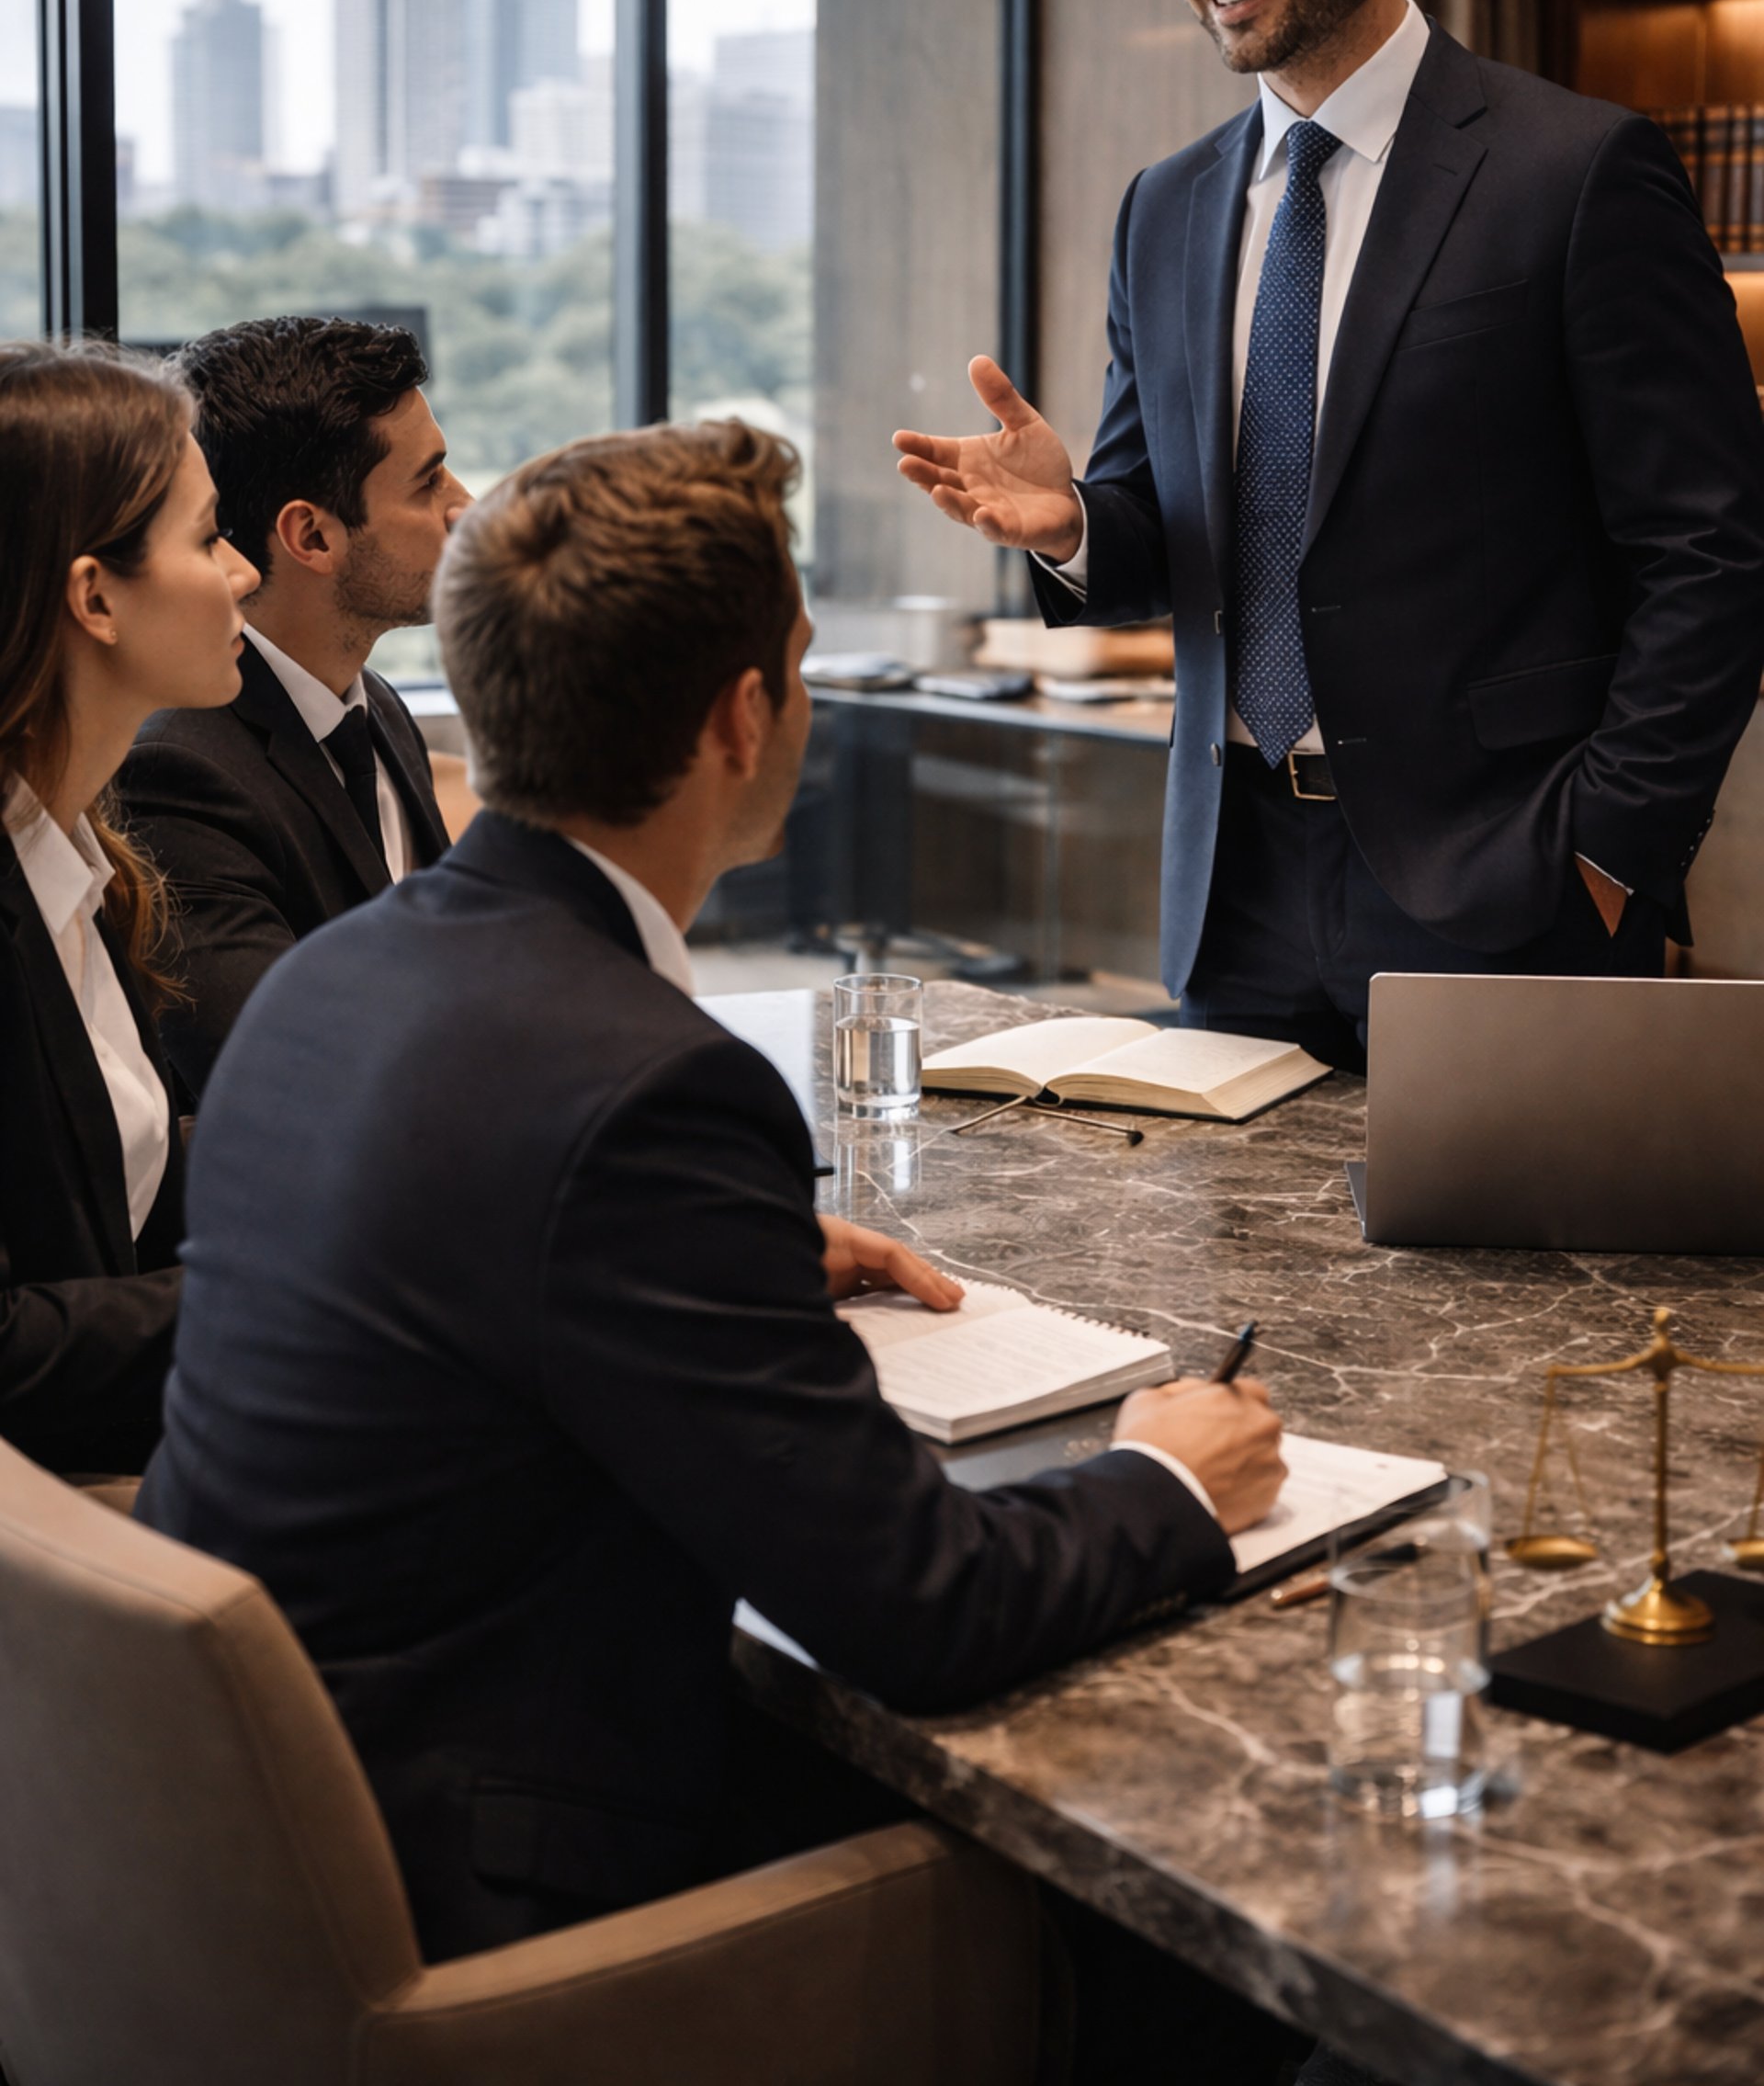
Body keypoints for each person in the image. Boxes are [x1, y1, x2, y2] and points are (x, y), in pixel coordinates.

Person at [138, 419, 1285, 1971]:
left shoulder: (339, 973)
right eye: (800, 666)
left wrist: (720, 1263)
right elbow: (923, 1612)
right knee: (1187, 1924)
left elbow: (469, 1260)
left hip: (247, 1866)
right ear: (747, 717)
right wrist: (1163, 1477)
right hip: (504, 1908)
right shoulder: (651, 1088)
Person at [895, 0, 1764, 1068]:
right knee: (1238, 1282)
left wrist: (1611, 849)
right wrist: (1072, 526)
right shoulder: (1165, 207)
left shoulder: (1578, 174)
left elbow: (1712, 554)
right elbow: (1169, 540)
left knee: (1507, 1290)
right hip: (1229, 892)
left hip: (1510, 889)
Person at [0, 342, 255, 1472]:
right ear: (95, 596)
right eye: (207, 537)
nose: (243, 571)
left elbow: (123, 1165)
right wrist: (302, 1300)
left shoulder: (79, 863)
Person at [118, 314, 465, 1096]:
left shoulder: (373, 704)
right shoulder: (174, 768)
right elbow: (284, 1068)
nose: (464, 504)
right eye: (429, 480)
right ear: (311, 536)